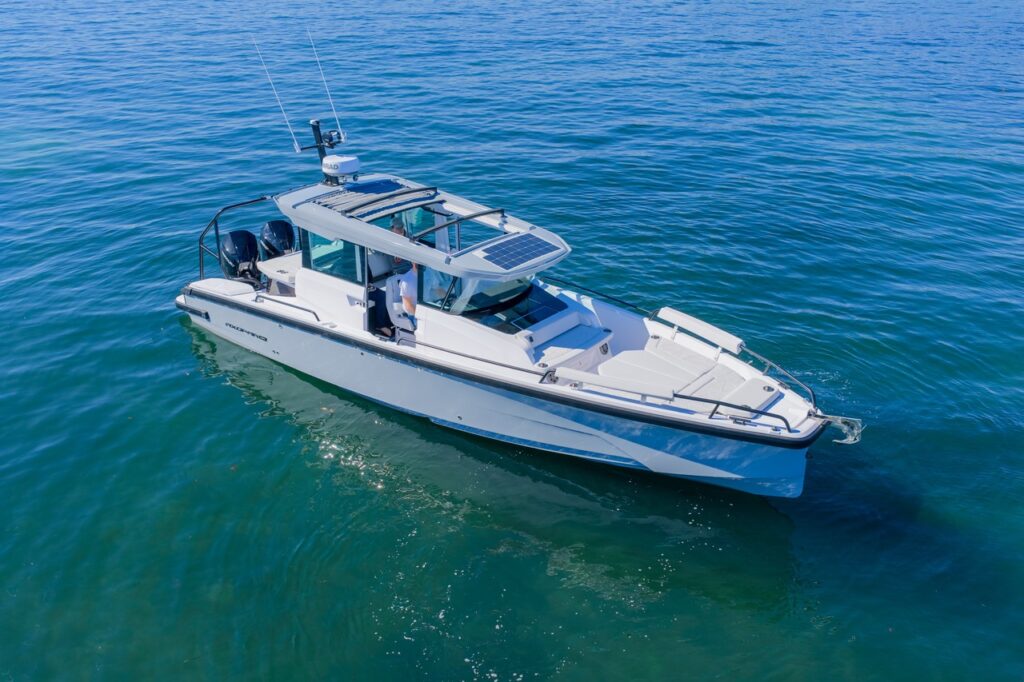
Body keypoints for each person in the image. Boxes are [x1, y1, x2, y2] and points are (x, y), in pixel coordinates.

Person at [397, 261, 418, 331]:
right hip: (414, 315)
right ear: (413, 262)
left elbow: (437, 291)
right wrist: (422, 316)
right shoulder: (406, 281)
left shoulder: (428, 274)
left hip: (429, 309)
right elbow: (408, 306)